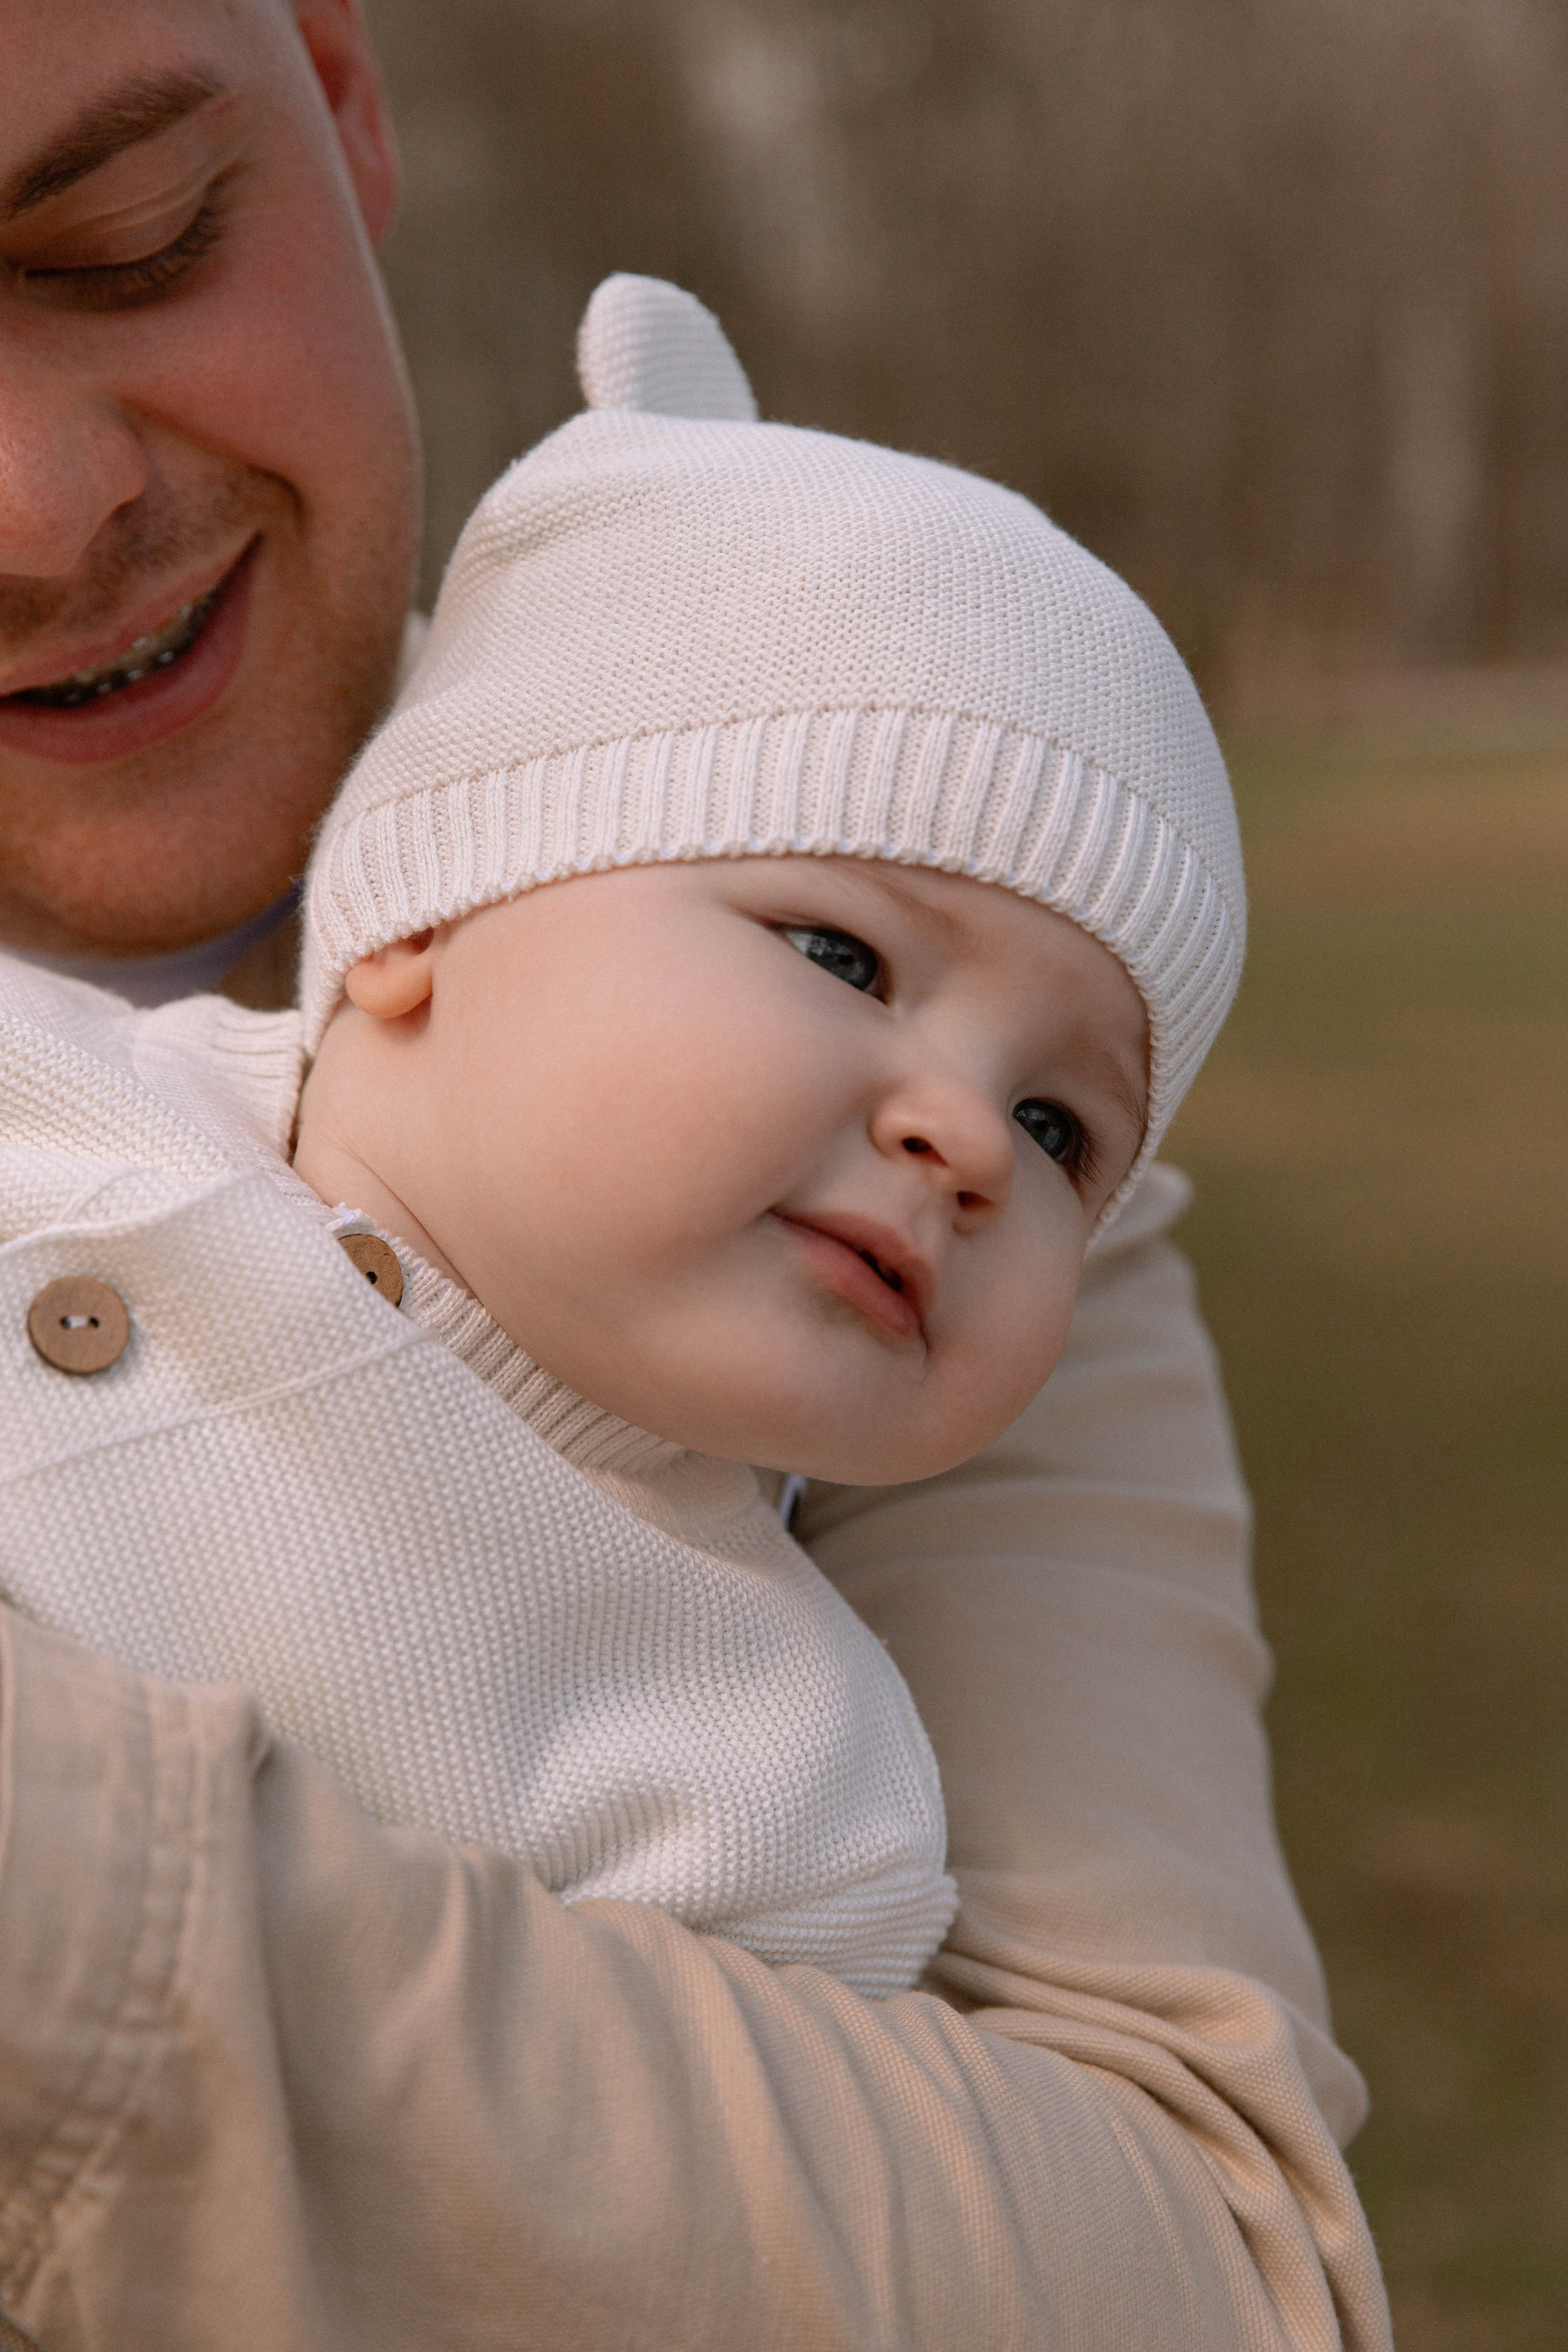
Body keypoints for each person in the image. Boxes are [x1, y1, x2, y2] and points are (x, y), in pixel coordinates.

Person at [0, 6, 1392, 2347]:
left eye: (137, 236)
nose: (43, 503)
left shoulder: (780, 1723)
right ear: (416, 942)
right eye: (837, 955)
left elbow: (1205, 2279)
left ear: (344, 99)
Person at [4, 264, 1236, 2005]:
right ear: (425, 911)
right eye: (841, 953)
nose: (970, 1137)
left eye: (1063, 1128)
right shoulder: (53, 1086)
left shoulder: (774, 1799)